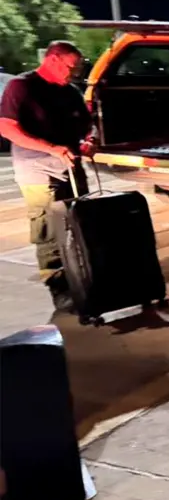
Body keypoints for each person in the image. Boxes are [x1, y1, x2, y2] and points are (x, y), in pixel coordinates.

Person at [0, 42, 95, 311]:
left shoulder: (71, 92)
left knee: (80, 225)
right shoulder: (22, 87)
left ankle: (84, 279)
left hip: (71, 168)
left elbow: (87, 128)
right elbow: (7, 129)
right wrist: (51, 148)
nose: (74, 73)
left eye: (77, 68)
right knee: (49, 232)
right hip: (38, 171)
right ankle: (58, 287)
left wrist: (89, 142)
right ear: (52, 59)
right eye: (70, 67)